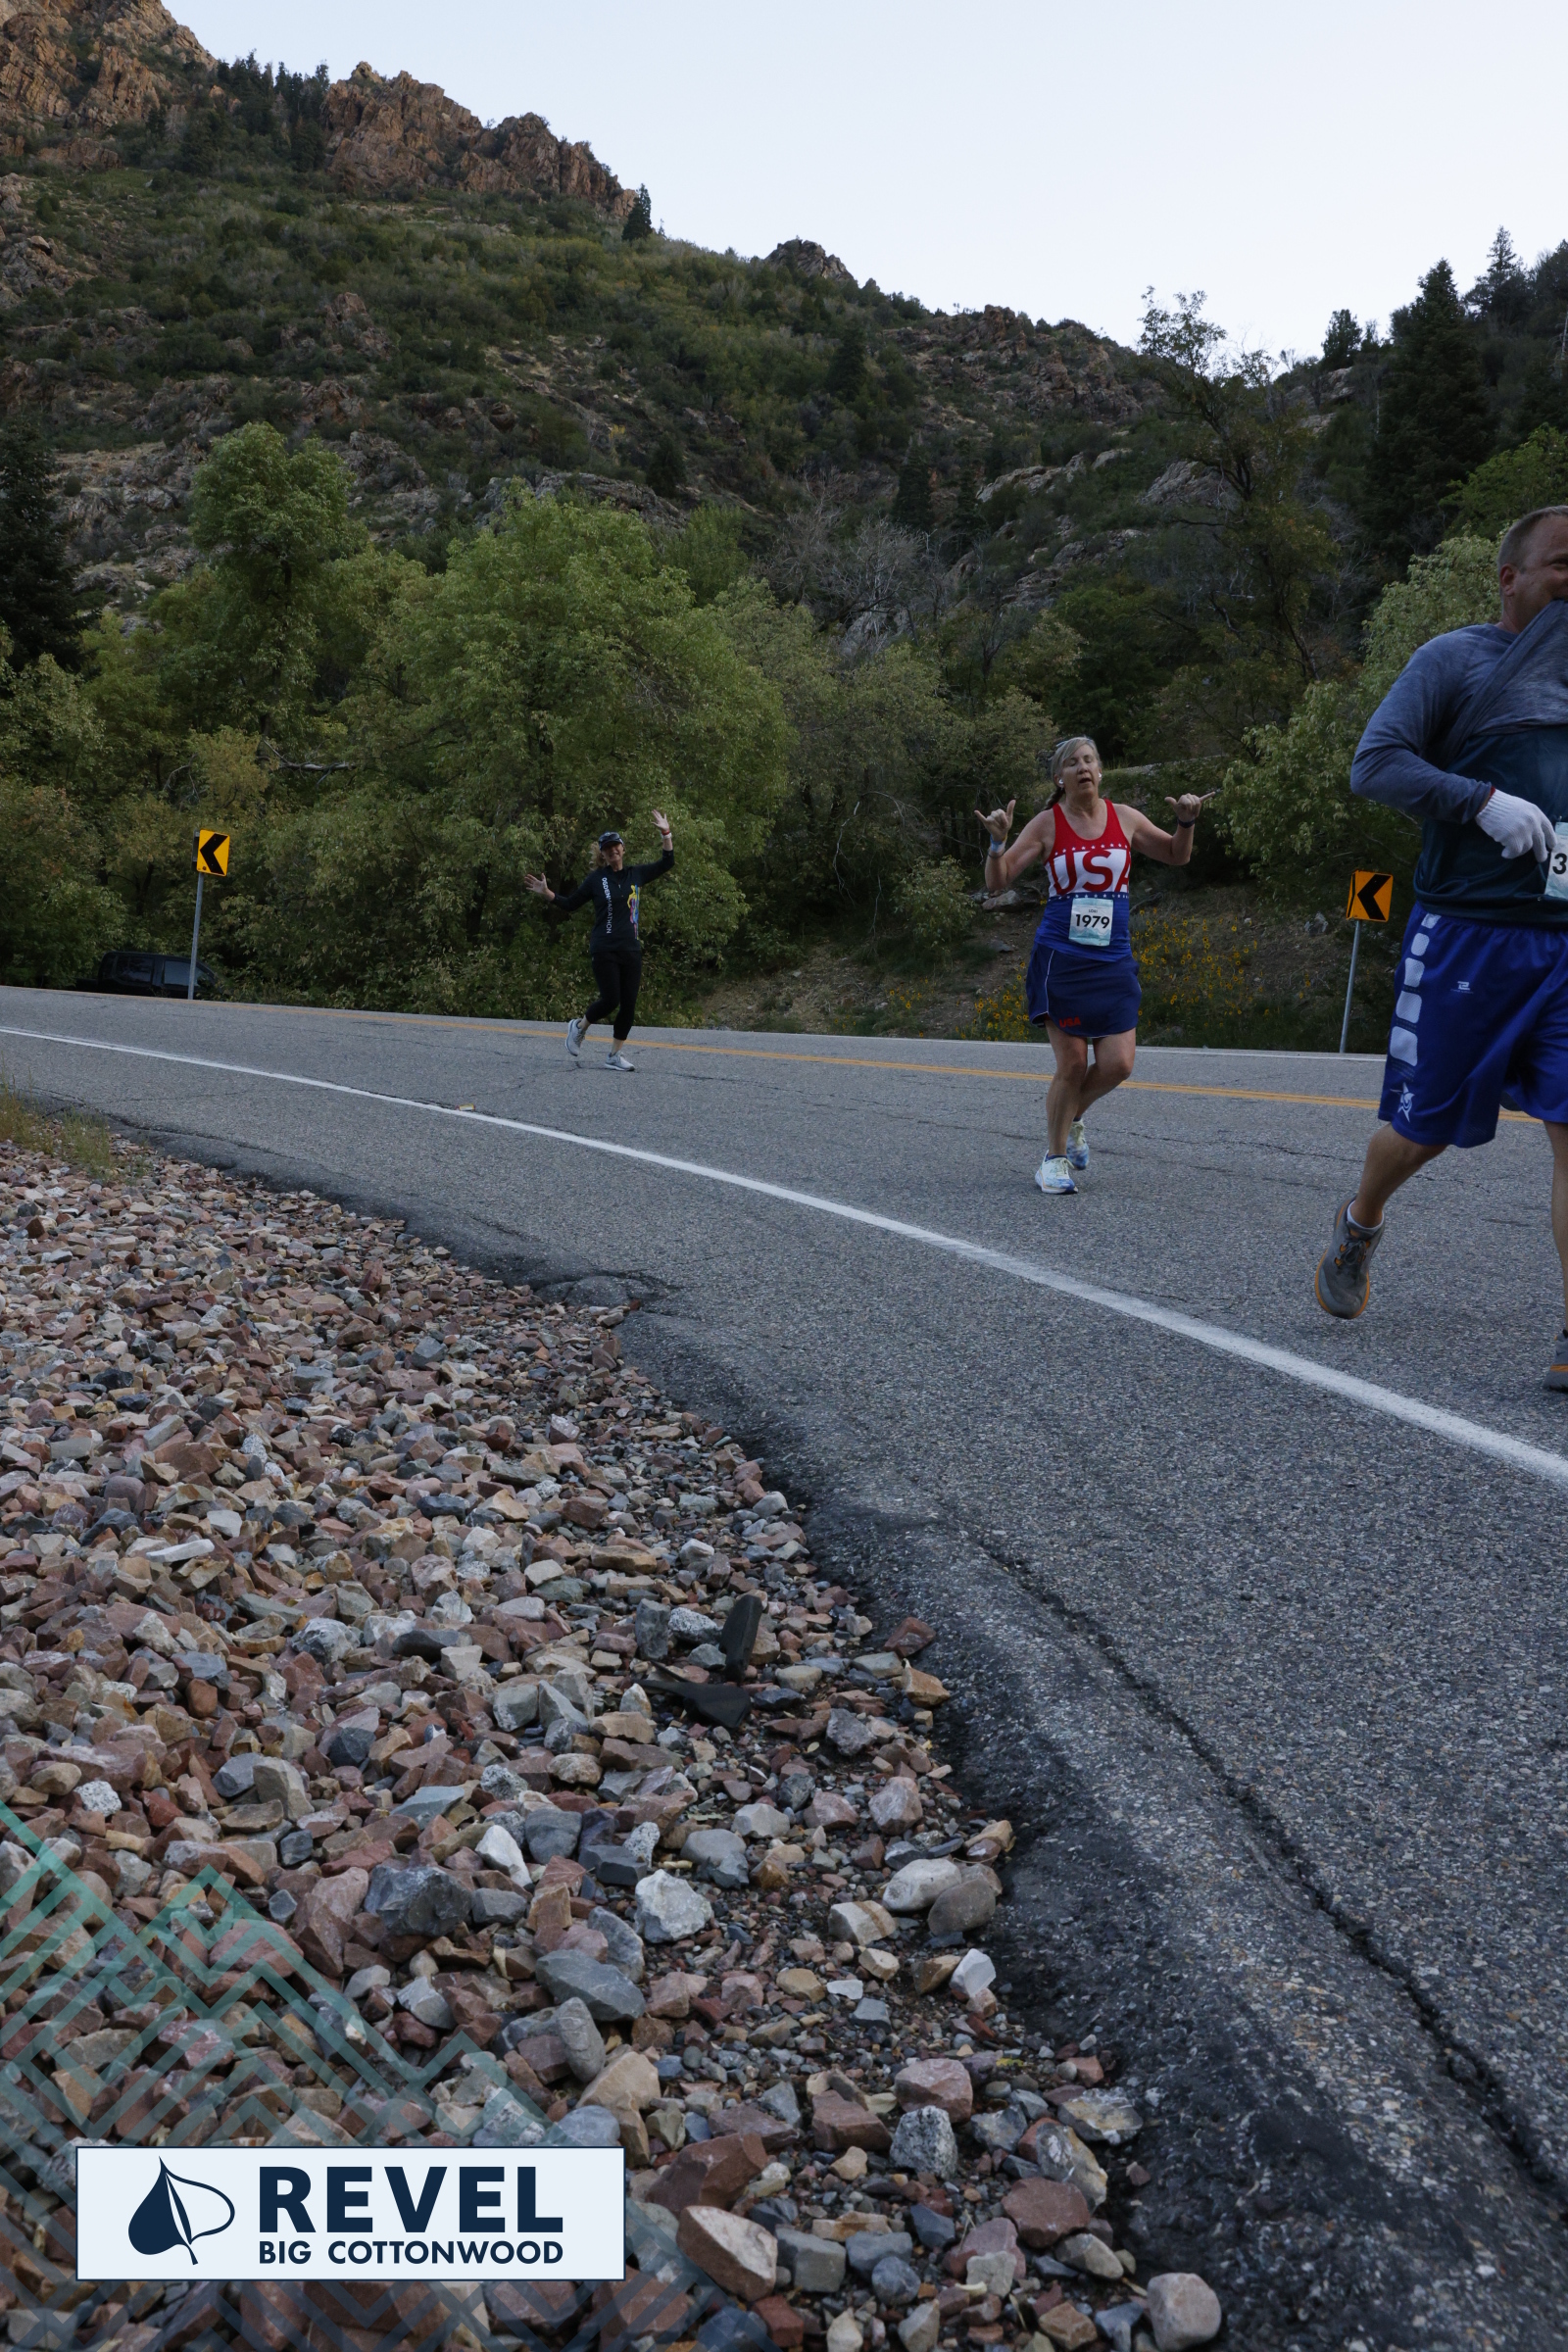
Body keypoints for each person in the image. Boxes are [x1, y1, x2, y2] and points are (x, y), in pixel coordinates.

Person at [1314, 506, 1568, 1387]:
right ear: (1510, 578)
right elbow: (1375, 764)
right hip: (1469, 939)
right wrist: (1479, 801)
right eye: (1563, 564)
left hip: (1565, 942)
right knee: (1423, 1131)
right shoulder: (1454, 661)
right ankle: (1361, 1220)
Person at [977, 737, 1212, 1193]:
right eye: (1072, 763)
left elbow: (1176, 854)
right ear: (1059, 778)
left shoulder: (1124, 817)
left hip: (1112, 960)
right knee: (1072, 1063)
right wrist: (997, 843)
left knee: (1118, 1063)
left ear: (1100, 771)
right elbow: (997, 881)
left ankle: (1071, 1117)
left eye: (1089, 760)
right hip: (1062, 960)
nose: (1082, 768)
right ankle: (1053, 1159)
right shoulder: (1047, 824)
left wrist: (1186, 822)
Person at [524, 812, 674, 1070]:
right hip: (604, 948)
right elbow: (571, 904)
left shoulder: (636, 874)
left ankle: (614, 1055)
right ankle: (579, 1027)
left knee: (629, 1004)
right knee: (611, 999)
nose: (613, 850)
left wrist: (666, 833)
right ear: (603, 854)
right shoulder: (596, 880)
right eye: (607, 848)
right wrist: (547, 892)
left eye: (616, 846)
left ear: (623, 849)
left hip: (630, 949)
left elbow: (667, 862)